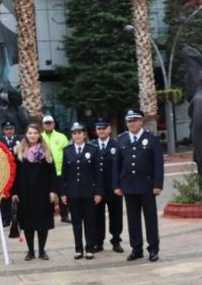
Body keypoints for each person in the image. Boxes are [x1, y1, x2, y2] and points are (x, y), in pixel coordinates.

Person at [114, 109, 163, 262]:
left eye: (135, 120)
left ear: (141, 121)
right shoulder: (121, 140)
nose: (132, 124)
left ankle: (153, 249)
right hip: (128, 186)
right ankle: (137, 249)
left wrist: (158, 184)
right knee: (132, 219)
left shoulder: (151, 138)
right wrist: (116, 185)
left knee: (150, 219)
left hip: (147, 186)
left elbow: (158, 164)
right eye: (129, 121)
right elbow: (117, 165)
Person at [11, 124, 58, 261]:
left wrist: (53, 191)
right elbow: (14, 174)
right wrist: (14, 192)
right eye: (30, 133)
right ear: (26, 134)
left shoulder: (46, 151)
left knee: (43, 223)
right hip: (25, 193)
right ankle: (30, 251)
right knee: (28, 224)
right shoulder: (19, 151)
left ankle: (42, 251)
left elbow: (53, 174)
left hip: (43, 193)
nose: (32, 135)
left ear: (39, 134)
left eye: (35, 133)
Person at [61, 122, 102, 260]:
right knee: (76, 223)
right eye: (74, 133)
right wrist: (63, 193)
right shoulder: (67, 150)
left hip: (89, 192)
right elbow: (64, 174)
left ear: (84, 134)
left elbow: (98, 174)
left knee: (90, 222)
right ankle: (78, 249)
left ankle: (90, 248)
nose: (77, 136)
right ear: (72, 135)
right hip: (73, 193)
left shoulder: (93, 149)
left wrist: (98, 192)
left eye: (79, 133)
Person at [93, 118, 123, 253]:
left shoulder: (117, 145)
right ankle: (98, 242)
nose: (101, 131)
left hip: (114, 188)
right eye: (99, 129)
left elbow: (121, 167)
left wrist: (120, 185)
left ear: (109, 130)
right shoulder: (92, 146)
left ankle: (116, 240)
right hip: (97, 189)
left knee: (115, 216)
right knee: (97, 217)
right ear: (96, 131)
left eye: (104, 128)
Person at [41, 115, 70, 223]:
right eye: (46, 123)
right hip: (45, 172)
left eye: (50, 123)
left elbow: (67, 153)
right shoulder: (39, 137)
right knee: (47, 195)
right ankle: (47, 216)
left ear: (53, 124)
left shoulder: (61, 137)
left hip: (60, 170)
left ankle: (65, 215)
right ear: (43, 125)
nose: (48, 125)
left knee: (63, 193)